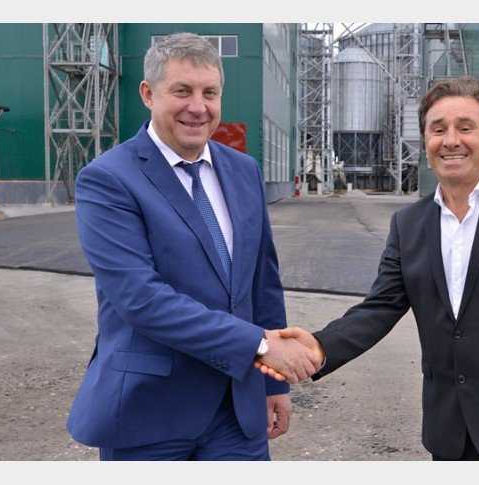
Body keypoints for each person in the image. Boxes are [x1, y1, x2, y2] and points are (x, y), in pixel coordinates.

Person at [259, 76, 479, 461]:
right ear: (425, 142)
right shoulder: (410, 224)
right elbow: (379, 308)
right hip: (449, 431)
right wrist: (320, 346)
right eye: (438, 129)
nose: (451, 140)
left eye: (465, 128)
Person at [67, 32, 319, 461]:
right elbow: (140, 299)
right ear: (148, 94)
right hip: (149, 413)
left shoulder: (243, 170)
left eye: (209, 93)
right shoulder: (109, 179)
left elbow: (262, 283)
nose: (198, 107)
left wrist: (271, 383)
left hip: (237, 413)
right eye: (182, 91)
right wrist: (260, 345)